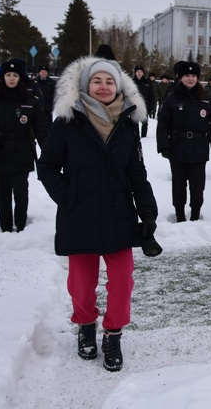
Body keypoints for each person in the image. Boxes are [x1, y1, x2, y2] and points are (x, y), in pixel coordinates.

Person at [37, 55, 160, 373]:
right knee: (81, 283)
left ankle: (114, 334)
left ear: (118, 86)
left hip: (119, 216)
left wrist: (147, 212)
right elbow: (47, 166)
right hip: (78, 215)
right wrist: (68, 197)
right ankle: (87, 326)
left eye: (109, 81)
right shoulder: (67, 121)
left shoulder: (128, 122)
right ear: (85, 85)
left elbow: (137, 172)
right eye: (97, 81)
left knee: (122, 282)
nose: (104, 86)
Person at [0, 58, 48, 233]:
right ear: (3, 77)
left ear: (20, 77)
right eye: (8, 74)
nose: (11, 78)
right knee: (2, 195)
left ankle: (22, 227)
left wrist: (49, 153)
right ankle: (6, 228)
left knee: (21, 195)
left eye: (15, 75)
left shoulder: (30, 101)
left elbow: (41, 130)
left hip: (22, 153)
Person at [157, 61, 211, 222]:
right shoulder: (172, 98)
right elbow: (163, 125)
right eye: (187, 75)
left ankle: (195, 214)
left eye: (193, 75)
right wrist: (164, 146)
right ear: (180, 77)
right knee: (179, 185)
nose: (190, 78)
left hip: (199, 148)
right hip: (177, 147)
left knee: (197, 185)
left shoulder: (206, 99)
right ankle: (179, 214)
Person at [131, 65, 155, 138]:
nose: (139, 73)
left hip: (145, 106)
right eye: (138, 72)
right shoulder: (131, 82)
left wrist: (151, 107)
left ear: (143, 73)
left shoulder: (147, 83)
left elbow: (151, 95)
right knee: (135, 123)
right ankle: (136, 136)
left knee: (144, 123)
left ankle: (144, 137)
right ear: (135, 73)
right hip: (134, 106)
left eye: (141, 72)